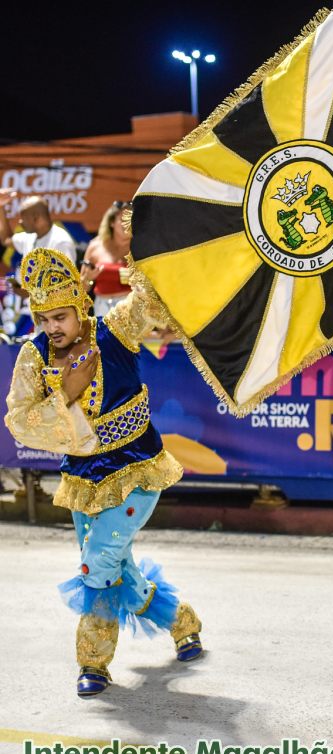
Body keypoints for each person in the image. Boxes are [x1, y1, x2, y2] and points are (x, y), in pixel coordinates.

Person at [4, 248, 203, 698]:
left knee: (97, 565)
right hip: (83, 483)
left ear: (81, 307)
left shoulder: (115, 331)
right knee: (120, 575)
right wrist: (67, 394)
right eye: (44, 318)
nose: (53, 327)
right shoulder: (34, 359)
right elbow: (20, 419)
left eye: (61, 316)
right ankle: (183, 622)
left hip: (136, 472)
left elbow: (154, 301)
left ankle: (92, 663)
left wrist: (150, 253)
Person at [0, 191, 77, 337]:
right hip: (40, 318)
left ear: (36, 218)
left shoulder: (60, 242)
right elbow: (7, 239)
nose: (20, 223)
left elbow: (67, 285)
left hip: (59, 322)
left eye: (23, 218)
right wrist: (1, 207)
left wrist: (30, 293)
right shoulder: (30, 237)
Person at [80, 201, 133, 316]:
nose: (127, 223)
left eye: (130, 220)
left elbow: (151, 281)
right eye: (123, 219)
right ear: (112, 222)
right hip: (101, 306)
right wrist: (89, 279)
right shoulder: (95, 246)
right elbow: (82, 288)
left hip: (131, 306)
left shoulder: (140, 246)